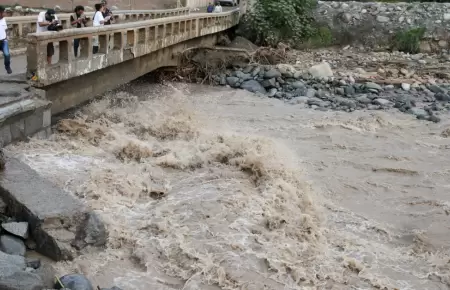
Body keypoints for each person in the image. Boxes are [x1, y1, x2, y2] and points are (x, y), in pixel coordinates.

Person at [0, 6, 12, 74]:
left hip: (3, 41)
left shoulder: (3, 19)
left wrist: (7, 36)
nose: (4, 14)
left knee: (7, 55)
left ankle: (7, 66)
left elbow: (5, 29)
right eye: (3, 12)